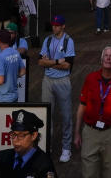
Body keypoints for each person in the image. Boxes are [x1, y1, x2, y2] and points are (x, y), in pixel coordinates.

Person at [74, 46, 111, 178]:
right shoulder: (90, 79)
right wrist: (77, 133)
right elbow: (82, 106)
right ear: (101, 60)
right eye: (106, 55)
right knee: (88, 172)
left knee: (109, 171)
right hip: (90, 133)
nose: (108, 58)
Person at [39, 14, 76, 163]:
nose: (54, 27)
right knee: (47, 115)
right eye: (53, 25)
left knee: (66, 115)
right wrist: (56, 61)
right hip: (47, 80)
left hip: (62, 81)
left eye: (57, 25)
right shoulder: (47, 40)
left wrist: (49, 62)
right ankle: (47, 146)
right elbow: (40, 62)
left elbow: (68, 64)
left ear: (63, 26)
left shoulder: (68, 41)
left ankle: (66, 148)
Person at [0, 109, 57, 178]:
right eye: (13, 134)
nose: (15, 140)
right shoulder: (1, 158)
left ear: (34, 136)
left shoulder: (44, 165)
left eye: (21, 135)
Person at [0, 29, 27, 102]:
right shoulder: (16, 53)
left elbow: (0, 80)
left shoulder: (0, 57)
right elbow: (23, 71)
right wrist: (12, 76)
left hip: (2, 99)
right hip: (14, 97)